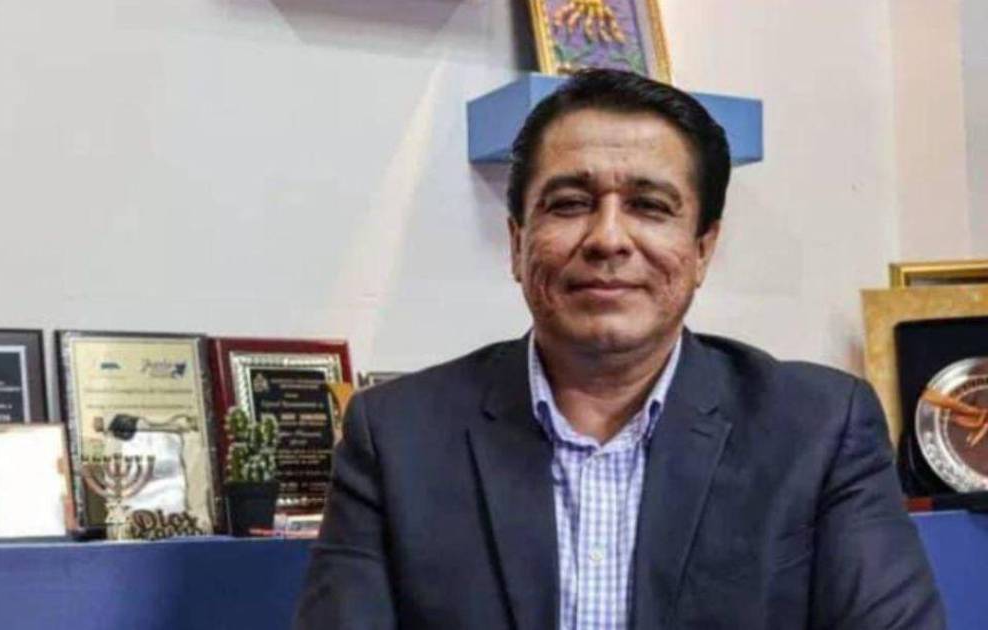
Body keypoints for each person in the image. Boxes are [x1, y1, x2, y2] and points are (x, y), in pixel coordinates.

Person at [293, 69, 944, 629]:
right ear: (517, 243)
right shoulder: (397, 436)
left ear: (702, 249)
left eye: (649, 207)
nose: (608, 238)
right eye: (570, 204)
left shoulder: (817, 430)